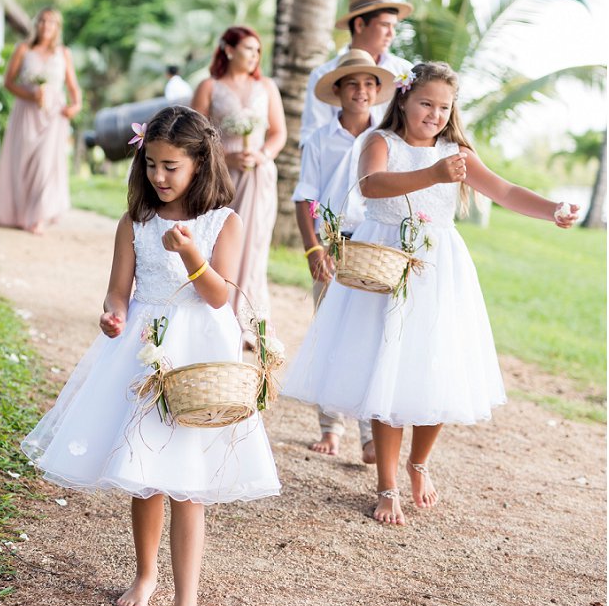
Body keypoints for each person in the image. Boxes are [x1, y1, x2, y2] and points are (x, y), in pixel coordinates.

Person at [21, 107, 280, 606]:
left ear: (199, 164)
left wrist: (189, 251)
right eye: (153, 165)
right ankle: (145, 574)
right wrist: (113, 313)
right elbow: (119, 289)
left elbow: (218, 297)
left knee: (188, 485)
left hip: (198, 358)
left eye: (172, 166)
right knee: (145, 474)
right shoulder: (134, 222)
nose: (160, 177)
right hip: (145, 351)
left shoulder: (222, 222)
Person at [283, 61, 579, 527]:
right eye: (426, 103)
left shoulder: (455, 152)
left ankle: (419, 463)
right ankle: (387, 484)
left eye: (444, 107)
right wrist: (435, 175)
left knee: (434, 365)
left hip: (438, 267)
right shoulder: (380, 142)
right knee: (386, 367)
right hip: (386, 263)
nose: (435, 114)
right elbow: (371, 185)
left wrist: (552, 210)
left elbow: (503, 190)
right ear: (403, 98)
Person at [293, 50, 395, 465]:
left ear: (377, 91)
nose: (361, 91)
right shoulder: (318, 140)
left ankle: (370, 434)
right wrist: (313, 248)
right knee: (329, 330)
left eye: (369, 84)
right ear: (336, 91)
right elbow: (305, 197)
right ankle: (329, 428)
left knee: (370, 334)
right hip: (330, 243)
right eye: (352, 83)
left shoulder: (385, 138)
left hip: (371, 241)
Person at [192, 26, 287, 318]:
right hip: (221, 175)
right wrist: (226, 158)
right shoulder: (209, 86)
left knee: (253, 243)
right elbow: (194, 136)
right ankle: (216, 308)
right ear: (229, 50)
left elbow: (278, 133)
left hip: (258, 176)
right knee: (217, 238)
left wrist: (262, 155)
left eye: (258, 50)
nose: (255, 55)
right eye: (248, 48)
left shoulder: (267, 87)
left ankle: (246, 315)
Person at [0, 8, 81, 235]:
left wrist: (75, 106)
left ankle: (38, 217)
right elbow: (9, 82)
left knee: (45, 165)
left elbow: (73, 87)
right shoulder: (23, 49)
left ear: (57, 28)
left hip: (53, 115)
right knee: (24, 164)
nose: (46, 26)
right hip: (27, 112)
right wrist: (31, 95)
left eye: (51, 22)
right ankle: (20, 214)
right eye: (42, 21)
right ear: (37, 24)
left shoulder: (63, 53)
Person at [300, 0, 414, 147]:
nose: (391, 33)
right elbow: (312, 135)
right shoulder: (324, 75)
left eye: (393, 26)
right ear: (359, 25)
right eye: (384, 25)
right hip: (339, 166)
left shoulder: (404, 71)